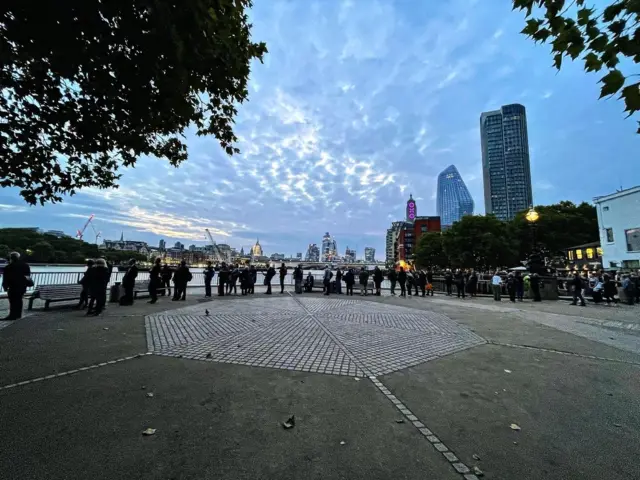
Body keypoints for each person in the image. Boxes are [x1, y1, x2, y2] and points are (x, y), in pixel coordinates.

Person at [1, 252, 31, 320]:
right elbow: (27, 276)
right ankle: (18, 315)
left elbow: (6, 278)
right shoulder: (25, 265)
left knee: (13, 301)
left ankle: (12, 315)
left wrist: (5, 287)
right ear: (18, 257)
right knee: (19, 300)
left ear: (11, 258)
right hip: (22, 286)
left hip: (13, 287)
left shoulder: (8, 267)